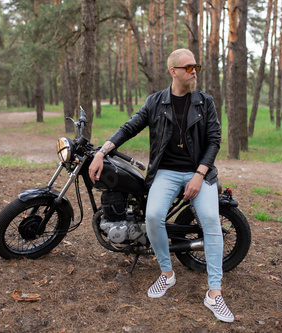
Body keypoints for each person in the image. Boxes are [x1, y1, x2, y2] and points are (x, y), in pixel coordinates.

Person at [88, 48, 234, 323]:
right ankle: (167, 274)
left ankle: (214, 293)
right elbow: (130, 127)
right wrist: (101, 152)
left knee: (212, 222)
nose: (194, 71)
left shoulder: (205, 102)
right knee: (153, 217)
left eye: (196, 67)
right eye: (188, 67)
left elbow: (214, 140)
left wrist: (199, 175)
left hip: (199, 173)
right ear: (174, 71)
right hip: (165, 172)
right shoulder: (156, 102)